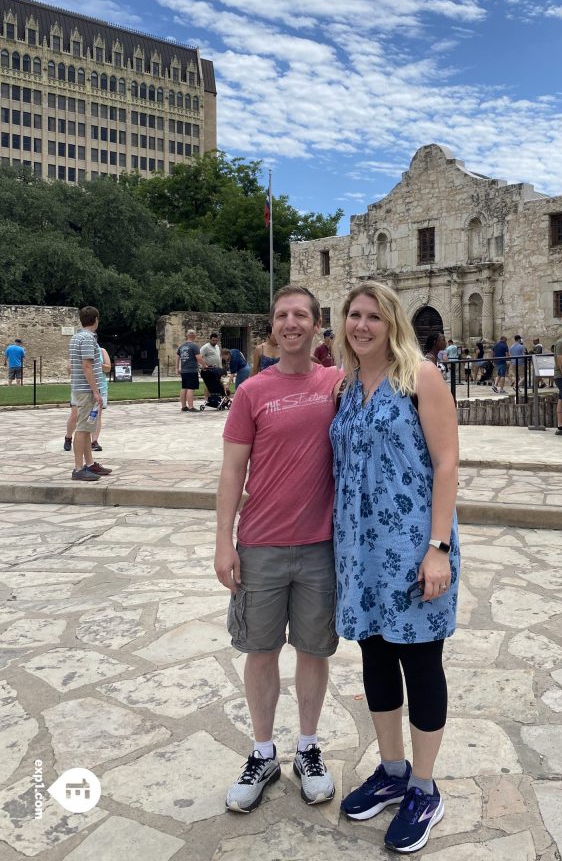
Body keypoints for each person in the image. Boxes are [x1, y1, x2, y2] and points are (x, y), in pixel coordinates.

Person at [331, 280, 459, 854]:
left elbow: (447, 462)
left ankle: (425, 787)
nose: (362, 326)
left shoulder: (419, 378)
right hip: (360, 551)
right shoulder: (345, 386)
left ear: (393, 323)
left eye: (373, 317)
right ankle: (391, 770)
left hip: (412, 550)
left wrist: (438, 547)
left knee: (420, 662)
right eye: (354, 316)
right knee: (376, 658)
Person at [214, 285, 341, 814]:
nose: (291, 323)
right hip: (262, 541)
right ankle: (263, 751)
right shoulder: (252, 391)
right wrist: (224, 540)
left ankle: (307, 746)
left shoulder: (339, 383)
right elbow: (232, 469)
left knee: (314, 650)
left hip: (320, 544)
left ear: (316, 325)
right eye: (282, 315)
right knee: (260, 650)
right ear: (273, 326)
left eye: (301, 315)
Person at [68, 307, 113, 482]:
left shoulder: (77, 337)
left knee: (87, 428)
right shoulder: (87, 338)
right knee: (82, 429)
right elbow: (87, 366)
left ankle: (89, 464)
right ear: (96, 319)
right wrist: (96, 391)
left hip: (81, 387)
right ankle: (79, 468)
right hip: (86, 389)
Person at [64, 344, 110, 452]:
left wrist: (98, 364)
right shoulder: (77, 352)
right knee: (75, 415)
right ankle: (68, 437)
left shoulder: (101, 351)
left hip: (99, 386)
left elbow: (108, 368)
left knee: (96, 415)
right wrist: (85, 365)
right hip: (80, 387)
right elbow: (69, 369)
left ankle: (94, 441)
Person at [177, 329, 208, 412]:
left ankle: (184, 406)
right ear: (194, 336)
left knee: (184, 387)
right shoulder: (194, 346)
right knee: (191, 388)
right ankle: (191, 407)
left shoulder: (181, 346)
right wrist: (205, 366)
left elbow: (178, 357)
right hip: (191, 370)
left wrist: (177, 368)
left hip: (184, 370)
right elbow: (199, 358)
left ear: (186, 335)